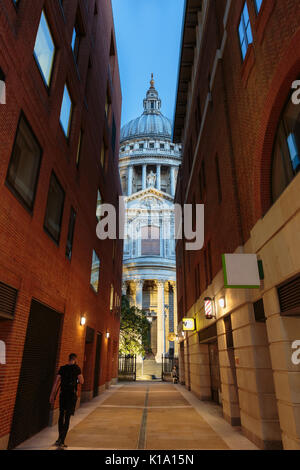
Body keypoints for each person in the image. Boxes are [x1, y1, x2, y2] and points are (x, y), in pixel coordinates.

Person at [50, 353, 84, 448]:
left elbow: (56, 382)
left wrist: (52, 395)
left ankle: (59, 438)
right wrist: (76, 380)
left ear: (68, 359)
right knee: (67, 417)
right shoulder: (77, 369)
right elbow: (82, 381)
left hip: (63, 394)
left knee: (61, 415)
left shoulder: (62, 368)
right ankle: (62, 440)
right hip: (71, 395)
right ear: (75, 359)